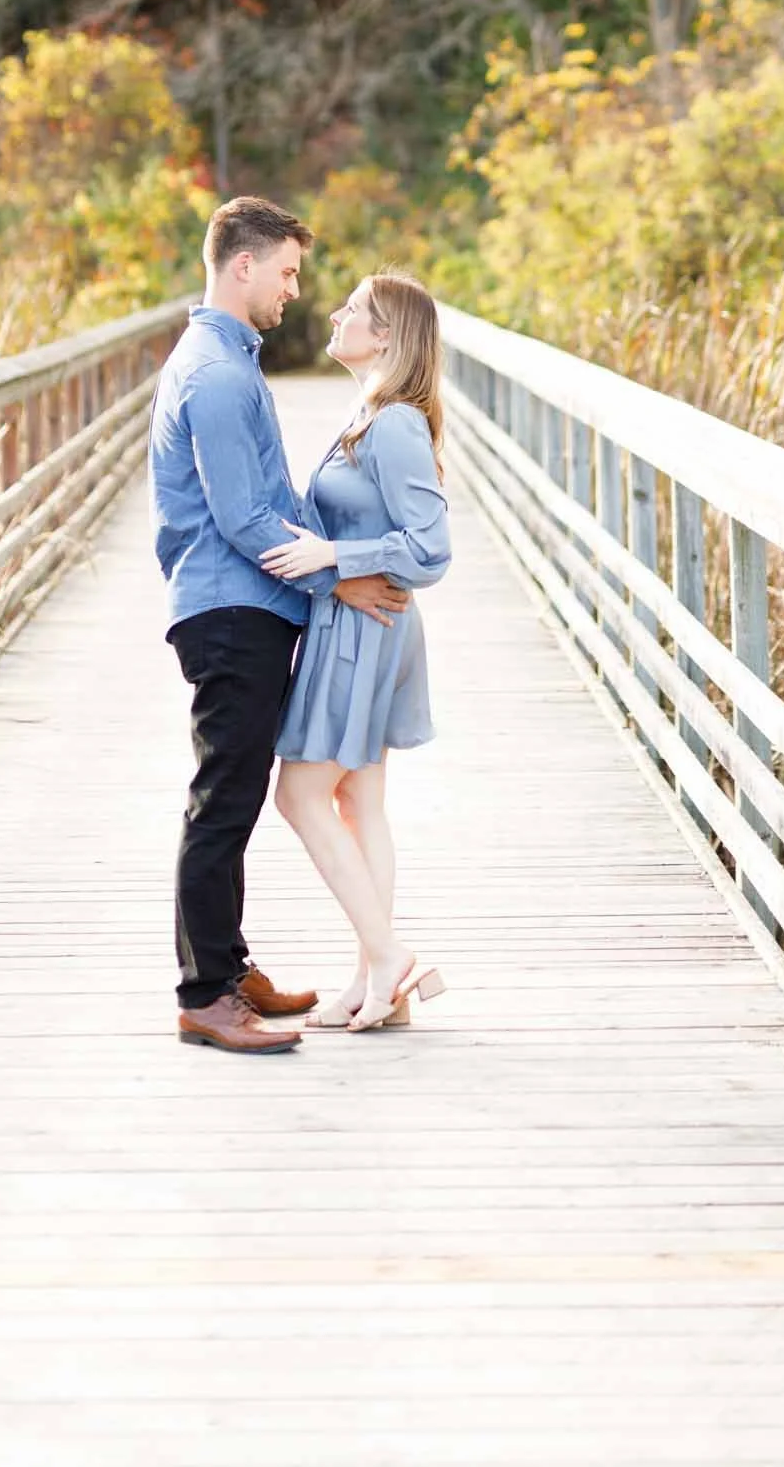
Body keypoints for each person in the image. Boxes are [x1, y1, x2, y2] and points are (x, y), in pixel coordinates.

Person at [149, 197, 408, 1055]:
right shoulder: (219, 375)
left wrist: (337, 564)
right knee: (223, 799)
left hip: (243, 605)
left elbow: (275, 501)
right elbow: (242, 519)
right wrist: (341, 577)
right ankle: (205, 996)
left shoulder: (226, 361)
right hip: (230, 608)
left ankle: (228, 966)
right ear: (242, 265)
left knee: (235, 793)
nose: (295, 290)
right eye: (288, 272)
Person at [263, 271, 450, 1032]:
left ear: (386, 338)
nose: (336, 315)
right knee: (356, 799)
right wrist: (338, 563)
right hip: (362, 627)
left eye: (355, 311)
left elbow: (430, 550)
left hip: (361, 637)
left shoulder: (395, 422)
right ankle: (372, 985)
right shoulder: (368, 410)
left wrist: (333, 557)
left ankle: (389, 956)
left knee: (300, 796)